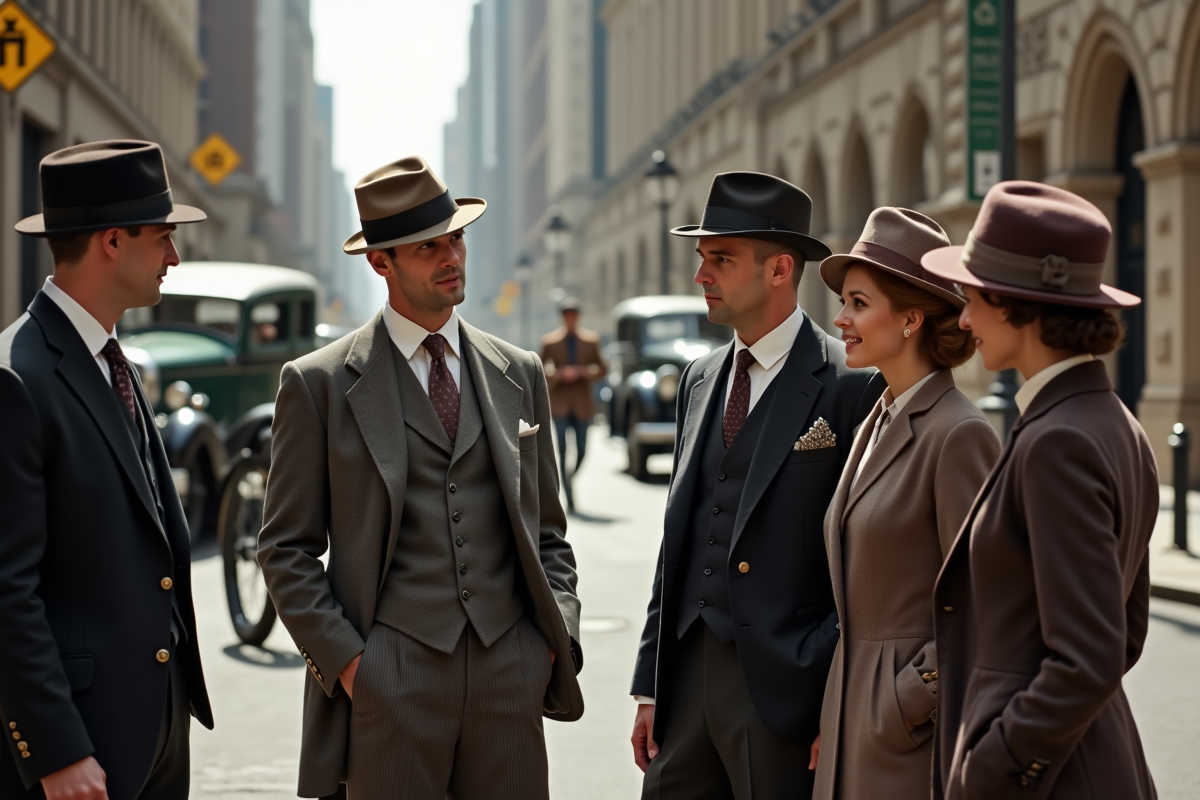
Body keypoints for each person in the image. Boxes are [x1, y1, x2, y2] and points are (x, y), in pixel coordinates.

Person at [257, 156, 583, 800]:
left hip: (507, 672)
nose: (451, 256)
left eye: (456, 237)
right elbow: (284, 549)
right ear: (382, 263)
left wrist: (553, 639)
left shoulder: (520, 371)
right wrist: (354, 667)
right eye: (427, 247)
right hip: (389, 678)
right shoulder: (317, 383)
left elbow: (549, 533)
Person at [629, 171, 885, 798]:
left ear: (778, 270)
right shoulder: (697, 377)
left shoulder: (852, 387)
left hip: (787, 691)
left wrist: (834, 696)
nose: (701, 275)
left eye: (720, 258)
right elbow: (679, 540)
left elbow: (869, 564)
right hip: (685, 686)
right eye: (702, 258)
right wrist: (649, 683)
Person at [921, 181, 1158, 800]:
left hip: (1053, 780)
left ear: (1012, 303)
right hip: (1085, 760)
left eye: (972, 297)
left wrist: (994, 764)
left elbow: (1091, 657)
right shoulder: (1116, 424)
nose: (965, 317)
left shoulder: (1059, 441)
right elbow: (1124, 632)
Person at [0, 141, 213, 800]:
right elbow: (6, 588)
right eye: (163, 238)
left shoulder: (111, 359)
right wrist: (55, 749)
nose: (175, 258)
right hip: (78, 750)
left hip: (153, 728)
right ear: (112, 242)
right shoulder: (17, 376)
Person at [810, 208, 1001, 799]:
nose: (840, 319)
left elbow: (986, 603)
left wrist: (907, 700)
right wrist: (841, 711)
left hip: (904, 736)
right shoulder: (876, 418)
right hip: (851, 715)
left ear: (912, 317)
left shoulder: (959, 433)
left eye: (859, 303)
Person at [540, 297, 608, 513]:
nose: (570, 319)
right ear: (562, 317)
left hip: (582, 404)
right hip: (559, 404)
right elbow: (539, 369)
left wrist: (583, 372)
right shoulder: (550, 341)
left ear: (578, 317)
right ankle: (569, 496)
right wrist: (558, 374)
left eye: (573, 315)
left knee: (582, 450)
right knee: (561, 449)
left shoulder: (591, 340)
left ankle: (569, 477)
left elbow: (603, 369)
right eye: (566, 315)